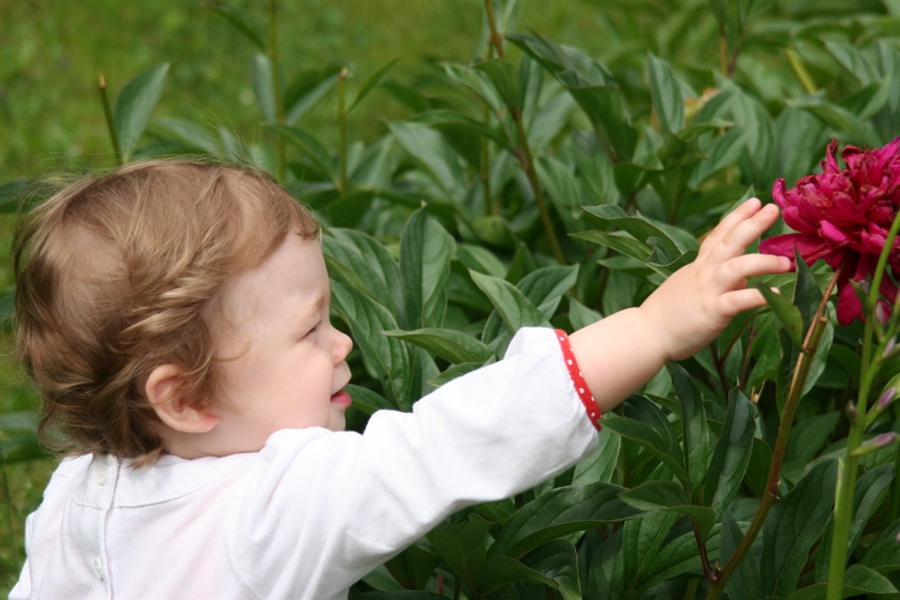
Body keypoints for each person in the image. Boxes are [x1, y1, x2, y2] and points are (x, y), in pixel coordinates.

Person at [10, 160, 790, 599]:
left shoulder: (74, 495)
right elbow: (448, 444)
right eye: (310, 330)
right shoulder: (272, 510)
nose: (342, 342)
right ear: (184, 397)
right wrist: (651, 329)